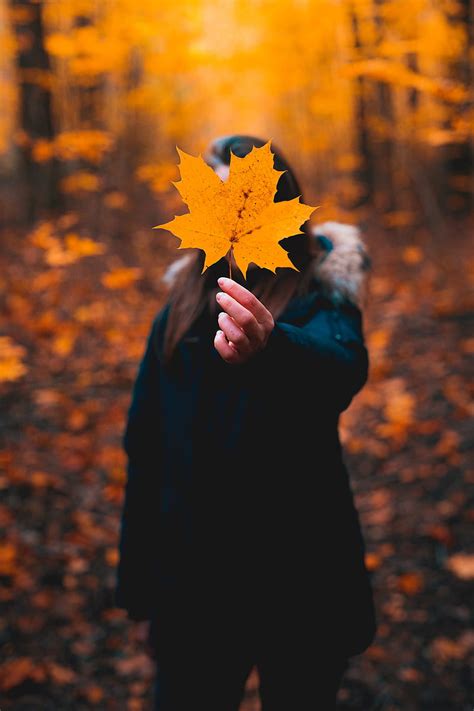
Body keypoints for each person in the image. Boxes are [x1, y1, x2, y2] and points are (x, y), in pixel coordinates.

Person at [114, 134, 377, 710]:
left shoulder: (320, 294)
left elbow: (341, 368)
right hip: (194, 585)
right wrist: (141, 592)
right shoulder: (180, 308)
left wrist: (271, 348)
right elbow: (147, 447)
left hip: (302, 579)